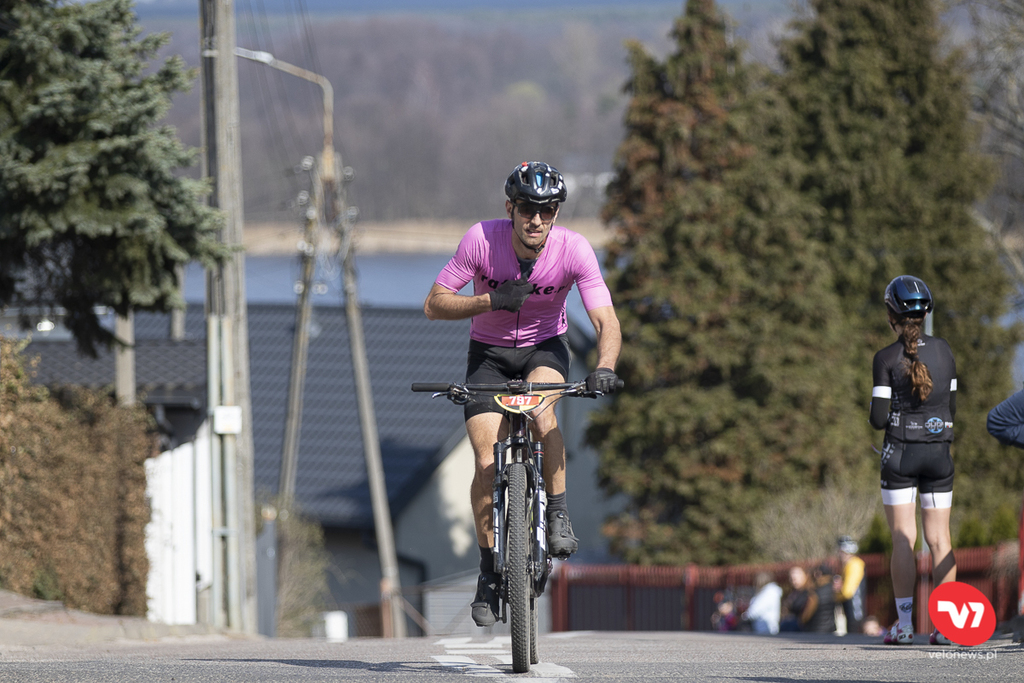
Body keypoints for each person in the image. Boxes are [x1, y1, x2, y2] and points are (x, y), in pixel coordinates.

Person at [423, 161, 622, 627]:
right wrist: (491, 300)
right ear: (510, 208)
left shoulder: (574, 250)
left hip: (544, 349)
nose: (536, 219)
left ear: (556, 213)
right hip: (488, 354)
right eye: (527, 208)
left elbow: (605, 320)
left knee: (544, 416)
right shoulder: (481, 240)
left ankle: (557, 513)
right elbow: (434, 304)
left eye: (546, 210)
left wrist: (605, 367)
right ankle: (489, 572)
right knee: (484, 460)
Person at [870, 275, 957, 646]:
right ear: (926, 313)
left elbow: (878, 418)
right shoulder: (945, 351)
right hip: (939, 455)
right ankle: (946, 627)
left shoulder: (886, 358)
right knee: (940, 540)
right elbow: (952, 407)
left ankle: (904, 626)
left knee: (904, 539)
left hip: (901, 455)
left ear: (891, 315)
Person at [833, 535, 866, 634]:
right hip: (852, 610)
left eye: (840, 552)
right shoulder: (849, 565)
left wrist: (835, 595)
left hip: (855, 610)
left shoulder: (854, 564)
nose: (839, 555)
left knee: (854, 634)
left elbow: (847, 592)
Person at [780, 566, 814, 632]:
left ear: (804, 576)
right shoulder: (793, 592)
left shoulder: (809, 592)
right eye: (791, 579)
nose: (793, 581)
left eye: (795, 578)